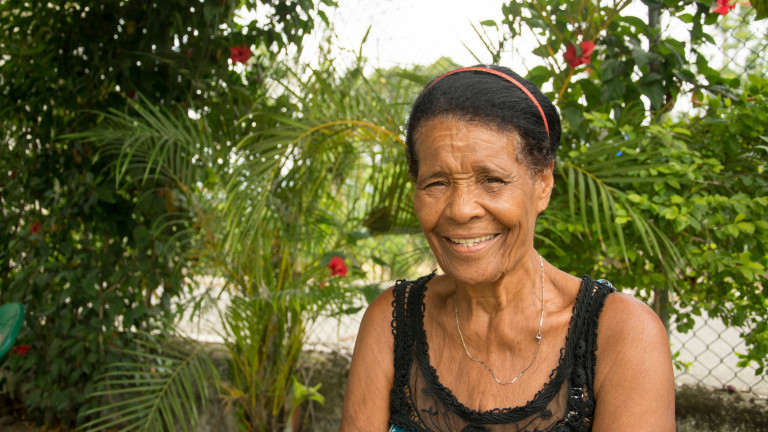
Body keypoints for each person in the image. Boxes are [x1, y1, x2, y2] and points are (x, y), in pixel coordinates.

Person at [339, 65, 676, 431]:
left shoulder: (623, 335)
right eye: (436, 183)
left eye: (492, 180)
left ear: (543, 183)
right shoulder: (391, 322)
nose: (461, 210)